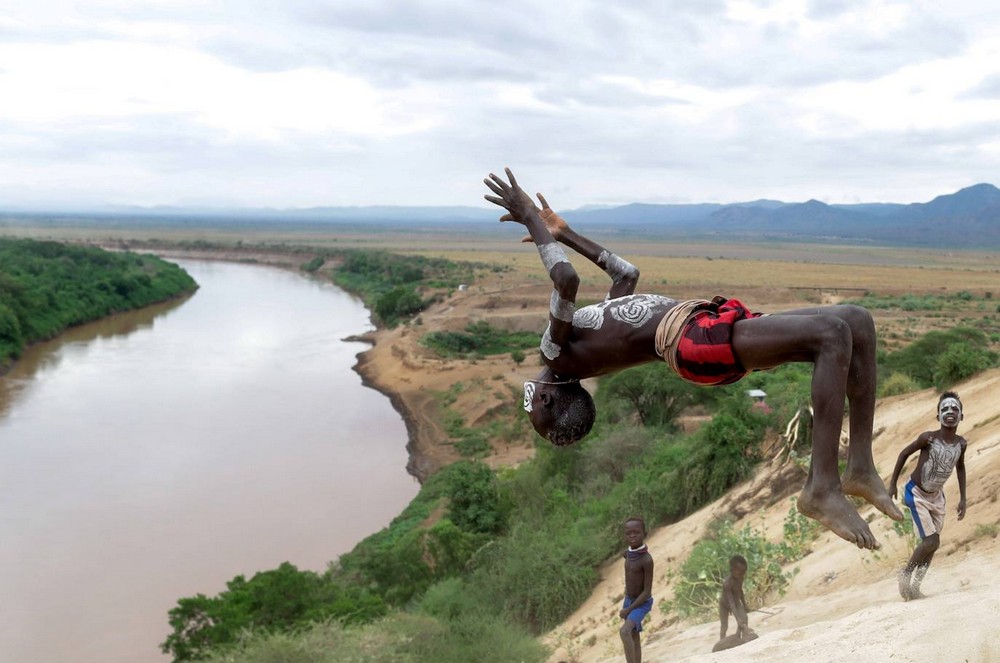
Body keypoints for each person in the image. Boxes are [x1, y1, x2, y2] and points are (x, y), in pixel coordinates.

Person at [483, 167, 903, 550]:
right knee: (832, 335)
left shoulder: (585, 348)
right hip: (692, 342)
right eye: (533, 412)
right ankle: (821, 487)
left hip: (702, 326)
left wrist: (565, 232)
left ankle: (860, 468)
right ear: (546, 400)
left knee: (856, 322)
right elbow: (566, 278)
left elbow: (625, 274)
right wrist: (531, 219)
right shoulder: (555, 352)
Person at [889, 391, 968, 601]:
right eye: (944, 409)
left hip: (937, 497)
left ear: (961, 416)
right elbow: (903, 454)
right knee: (931, 540)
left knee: (933, 543)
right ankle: (905, 574)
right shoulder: (928, 438)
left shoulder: (961, 444)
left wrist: (963, 498)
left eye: (954, 409)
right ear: (938, 416)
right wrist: (892, 484)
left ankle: (915, 588)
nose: (950, 412)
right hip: (916, 493)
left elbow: (960, 468)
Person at [619, 517, 654, 663]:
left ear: (644, 534)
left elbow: (647, 592)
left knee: (624, 631)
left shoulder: (646, 560)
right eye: (629, 533)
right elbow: (627, 554)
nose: (632, 536)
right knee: (633, 635)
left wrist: (628, 610)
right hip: (629, 600)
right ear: (625, 536)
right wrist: (628, 605)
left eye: (637, 532)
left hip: (641, 603)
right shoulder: (628, 554)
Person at [712, 555, 759, 652]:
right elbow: (731, 602)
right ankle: (722, 643)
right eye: (739, 572)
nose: (742, 574)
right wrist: (737, 618)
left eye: (743, 572)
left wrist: (745, 605)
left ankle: (740, 636)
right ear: (732, 570)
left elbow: (740, 591)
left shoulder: (740, 578)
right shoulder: (727, 583)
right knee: (724, 626)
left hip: (736, 602)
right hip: (725, 605)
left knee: (744, 618)